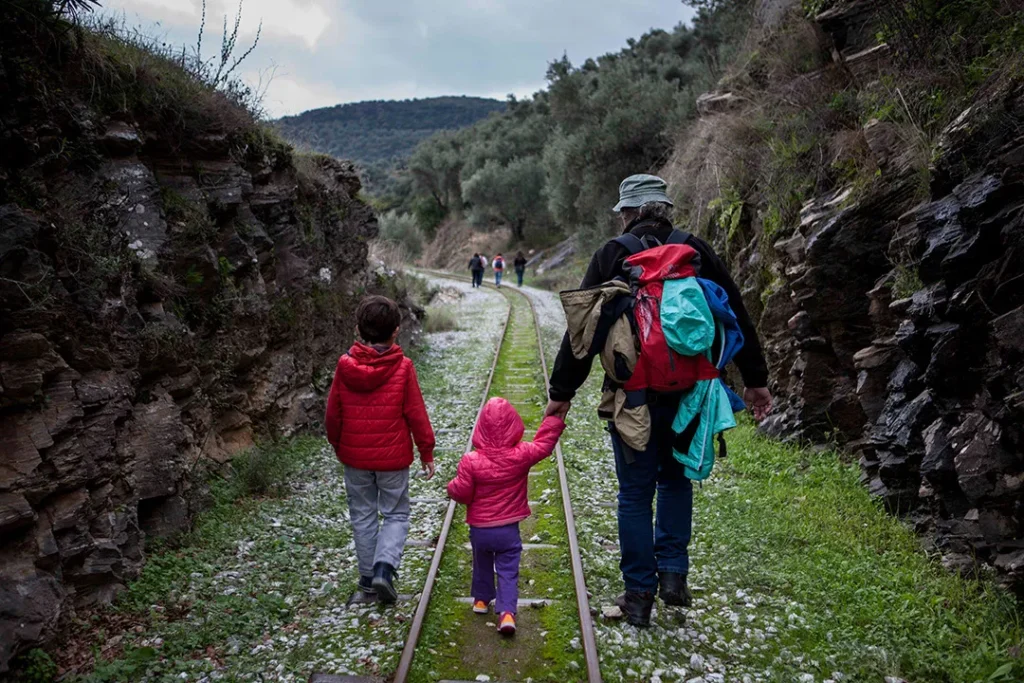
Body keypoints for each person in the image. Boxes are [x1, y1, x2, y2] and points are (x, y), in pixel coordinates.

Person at [544, 174, 773, 627]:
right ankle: (672, 575)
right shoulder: (694, 250)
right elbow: (736, 313)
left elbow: (583, 334)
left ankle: (638, 595)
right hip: (691, 395)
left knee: (634, 494)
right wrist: (756, 380)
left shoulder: (612, 255)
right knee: (675, 481)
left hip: (633, 398)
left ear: (627, 213)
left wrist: (561, 393)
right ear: (665, 208)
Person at [325, 295, 436, 604]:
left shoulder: (344, 366)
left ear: (358, 330)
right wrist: (426, 451)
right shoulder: (403, 367)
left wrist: (338, 444)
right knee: (396, 513)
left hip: (355, 459)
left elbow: (333, 414)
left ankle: (367, 583)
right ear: (396, 331)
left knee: (362, 516)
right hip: (393, 460)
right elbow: (416, 413)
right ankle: (384, 569)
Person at [447, 397, 567, 635]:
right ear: (515, 425)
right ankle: (507, 614)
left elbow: (462, 493)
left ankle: (481, 601)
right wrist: (554, 420)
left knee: (481, 561)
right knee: (508, 570)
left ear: (481, 428)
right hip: (508, 529)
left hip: (480, 529)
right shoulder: (521, 454)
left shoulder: (470, 460)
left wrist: (451, 486)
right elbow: (543, 445)